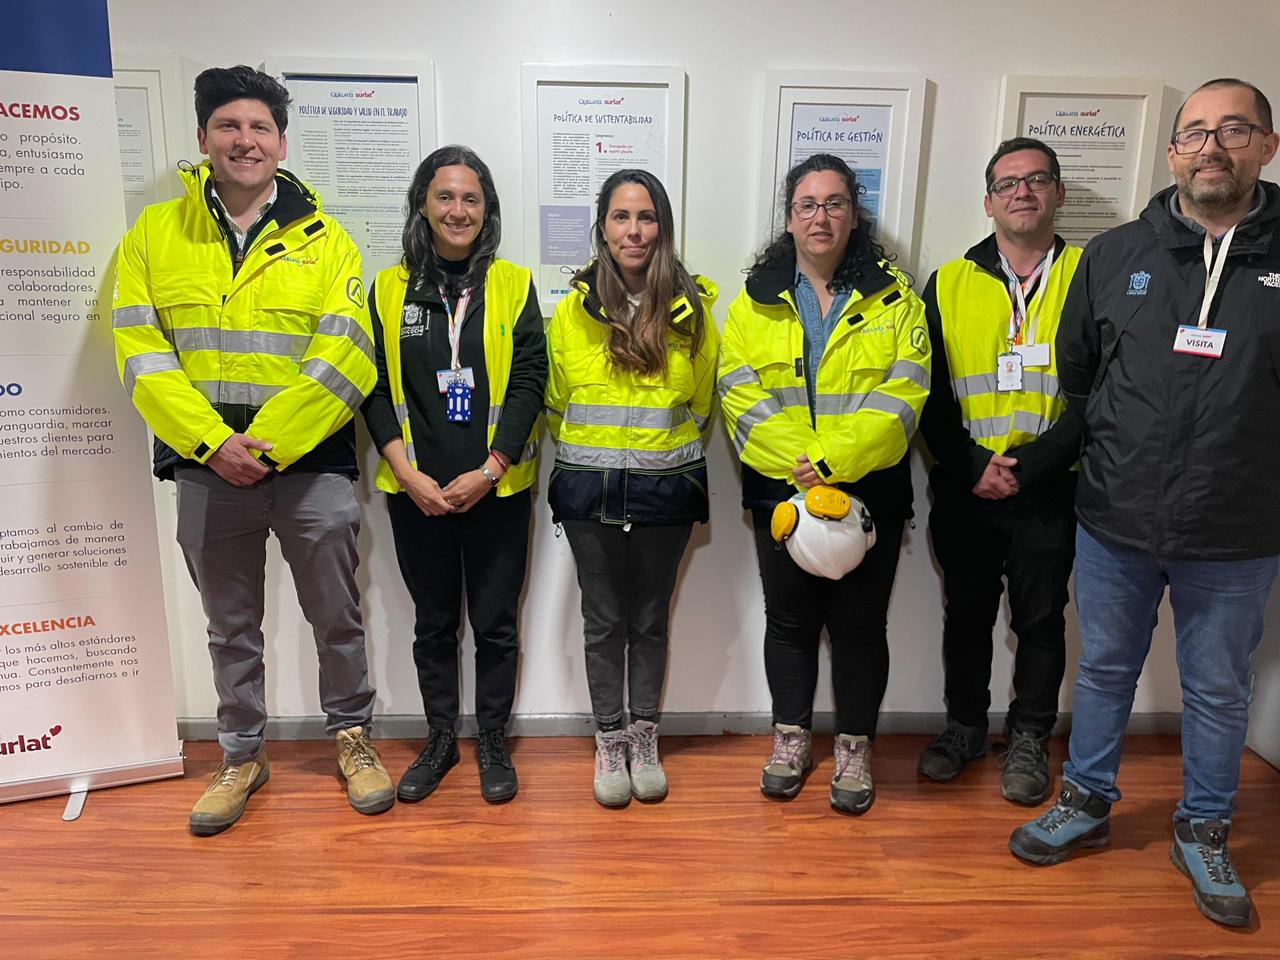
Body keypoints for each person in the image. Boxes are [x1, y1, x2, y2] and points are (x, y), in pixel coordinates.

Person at [1009, 78, 1280, 929]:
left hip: (1237, 528)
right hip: (1117, 519)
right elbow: (1082, 375)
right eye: (1194, 133)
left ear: (1266, 147)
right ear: (1171, 153)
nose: (1211, 147)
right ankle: (1087, 801)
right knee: (1105, 671)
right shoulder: (1116, 254)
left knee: (1217, 689)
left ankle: (1204, 828)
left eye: (1233, 130)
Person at [111, 65, 392, 835]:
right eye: (229, 127)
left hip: (311, 469)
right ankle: (241, 753)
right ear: (203, 139)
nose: (245, 140)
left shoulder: (326, 241)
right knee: (228, 624)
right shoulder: (153, 236)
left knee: (337, 615)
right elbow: (140, 352)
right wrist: (213, 443)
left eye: (259, 128)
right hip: (207, 470)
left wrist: (265, 446)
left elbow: (346, 355)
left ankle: (352, 736)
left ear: (281, 142)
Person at [718, 153, 930, 814]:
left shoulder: (896, 297)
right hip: (782, 496)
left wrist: (834, 461)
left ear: (854, 214)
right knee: (789, 623)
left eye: (835, 203)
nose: (821, 216)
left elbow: (907, 392)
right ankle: (790, 739)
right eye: (808, 204)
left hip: (871, 497)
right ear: (789, 217)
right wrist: (807, 468)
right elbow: (737, 390)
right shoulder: (753, 300)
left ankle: (855, 746)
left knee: (861, 627)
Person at [363, 145, 545, 805]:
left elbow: (528, 381)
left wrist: (492, 469)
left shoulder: (515, 284)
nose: (458, 210)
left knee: (496, 624)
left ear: (487, 210)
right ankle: (441, 739)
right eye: (445, 196)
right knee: (434, 624)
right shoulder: (387, 288)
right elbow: (373, 387)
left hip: (497, 492)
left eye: (471, 198)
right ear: (422, 204)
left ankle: (492, 739)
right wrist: (403, 469)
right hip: (418, 493)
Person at [545, 169, 718, 808]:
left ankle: (644, 734)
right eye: (621, 217)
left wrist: (648, 455)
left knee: (648, 621)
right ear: (603, 228)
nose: (634, 230)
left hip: (664, 490)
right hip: (589, 492)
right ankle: (609, 737)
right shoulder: (571, 310)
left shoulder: (692, 312)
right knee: (602, 622)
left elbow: (700, 408)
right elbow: (557, 405)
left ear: (662, 228)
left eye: (646, 217)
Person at [917, 138, 1083, 805]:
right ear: (988, 201)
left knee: (1041, 621)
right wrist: (971, 467)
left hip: (1051, 488)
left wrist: (1030, 467)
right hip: (967, 489)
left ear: (1058, 194)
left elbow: (1104, 391)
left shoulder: (1090, 274)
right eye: (1009, 183)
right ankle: (962, 728)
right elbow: (924, 392)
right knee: (967, 616)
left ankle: (1028, 739)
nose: (1023, 192)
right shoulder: (950, 281)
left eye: (1037, 180)